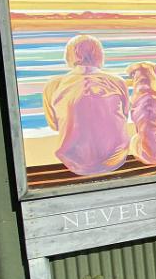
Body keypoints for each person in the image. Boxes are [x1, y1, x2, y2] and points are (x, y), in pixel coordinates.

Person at [42, 34, 130, 175]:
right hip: (116, 158)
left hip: (75, 163)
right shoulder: (117, 81)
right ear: (100, 55)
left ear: (68, 56)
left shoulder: (54, 85)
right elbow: (125, 116)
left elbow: (54, 125)